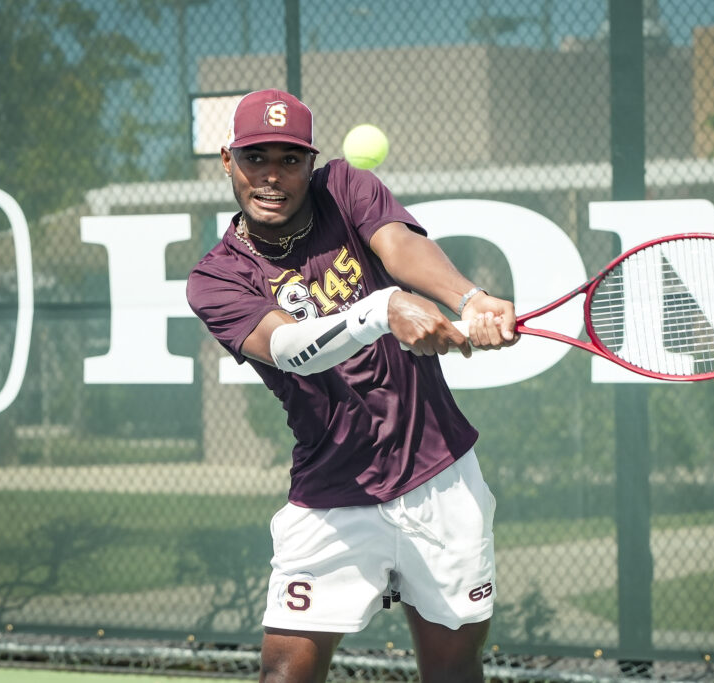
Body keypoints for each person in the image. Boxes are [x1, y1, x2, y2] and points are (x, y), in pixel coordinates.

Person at [186, 88, 517, 683]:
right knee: (284, 674)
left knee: (454, 671)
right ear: (227, 160)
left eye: (289, 159)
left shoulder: (344, 187)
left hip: (439, 476)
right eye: (255, 158)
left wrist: (469, 299)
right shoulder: (216, 278)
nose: (271, 176)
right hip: (331, 490)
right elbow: (287, 349)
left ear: (310, 164)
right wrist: (381, 308)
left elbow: (400, 245)